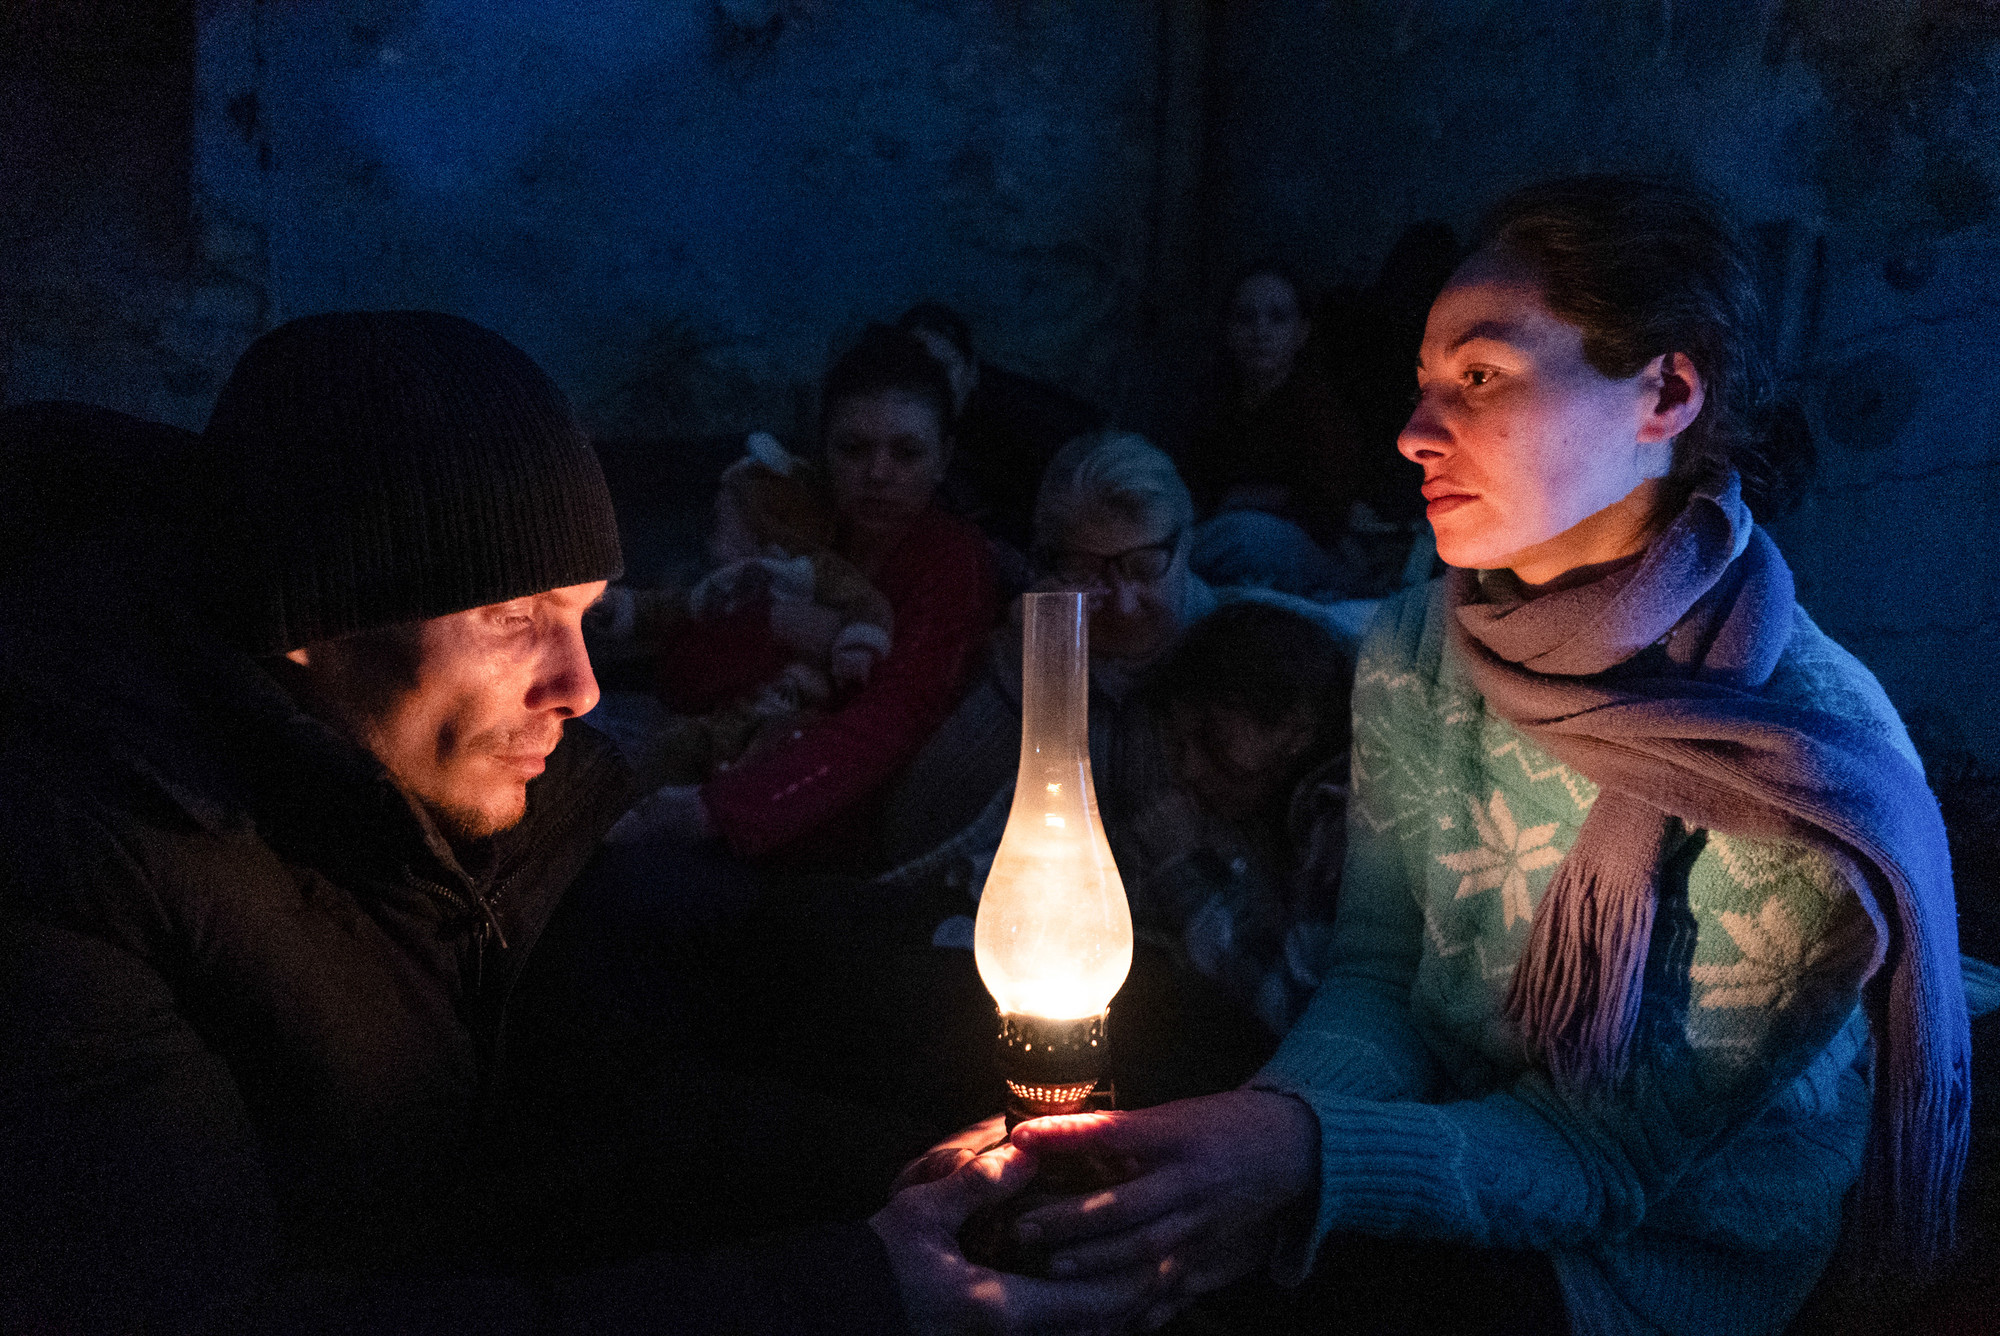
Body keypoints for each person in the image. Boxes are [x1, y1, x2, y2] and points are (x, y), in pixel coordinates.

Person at [0, 312, 1163, 1335]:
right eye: (515, 617)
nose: (582, 685)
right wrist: (852, 1293)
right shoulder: (71, 883)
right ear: (317, 619)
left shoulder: (471, 819)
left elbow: (603, 1123)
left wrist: (911, 1184)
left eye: (585, 616)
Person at [1003, 177, 1968, 1336]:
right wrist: (1258, 1152)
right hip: (1448, 1123)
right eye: (1421, 383)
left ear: (1664, 389)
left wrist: (1294, 1155)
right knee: (1086, 1237)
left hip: (1650, 1250)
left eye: (1478, 376)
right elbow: (1376, 974)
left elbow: (1597, 1159)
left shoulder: (1804, 771)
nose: (1412, 433)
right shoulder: (1423, 640)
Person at [615, 323, 999, 866]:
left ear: (943, 458)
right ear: (823, 450)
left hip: (840, 816)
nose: (878, 473)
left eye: (907, 452)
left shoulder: (950, 560)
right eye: (854, 449)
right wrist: (778, 622)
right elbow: (681, 672)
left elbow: (894, 719)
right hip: (728, 753)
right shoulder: (795, 526)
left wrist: (718, 810)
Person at [587, 431, 896, 784]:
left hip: (784, 698)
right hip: (723, 706)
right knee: (681, 746)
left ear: (760, 521)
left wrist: (857, 646)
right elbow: (673, 608)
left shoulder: (806, 571)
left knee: (774, 739)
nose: (713, 528)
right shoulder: (721, 584)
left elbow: (865, 603)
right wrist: (618, 606)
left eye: (725, 518)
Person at [1145, 600, 1354, 1037]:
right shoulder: (1261, 802)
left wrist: (1181, 873)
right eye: (1177, 745)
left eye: (1212, 739)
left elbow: (1293, 1007)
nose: (1189, 771)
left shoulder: (1340, 819)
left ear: (1296, 728)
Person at [1182, 264, 1372, 598]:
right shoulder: (1213, 406)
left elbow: (1330, 511)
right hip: (1221, 546)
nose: (1260, 331)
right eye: (1245, 318)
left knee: (1248, 536)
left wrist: (1252, 500)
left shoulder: (1320, 411)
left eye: (1277, 318)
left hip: (1308, 557)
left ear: (1301, 332)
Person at [897, 301, 1104, 558]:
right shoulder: (905, 421)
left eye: (943, 367)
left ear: (971, 373)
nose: (931, 380)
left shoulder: (1028, 426)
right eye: (917, 368)